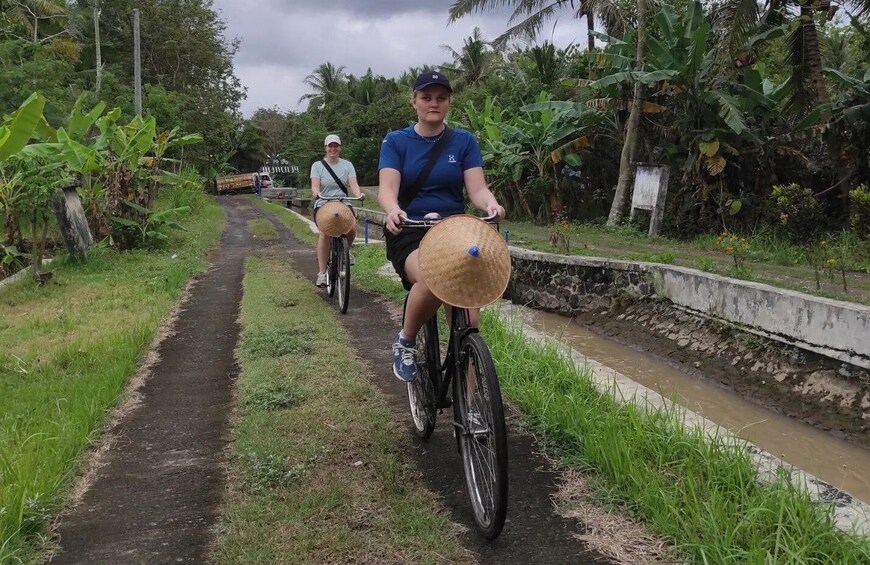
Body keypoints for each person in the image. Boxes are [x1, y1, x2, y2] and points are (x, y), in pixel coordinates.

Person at [378, 71, 505, 382]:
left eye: (441, 98)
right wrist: (393, 210)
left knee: (470, 319)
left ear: (449, 102)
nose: (433, 103)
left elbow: (477, 190)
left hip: (454, 231)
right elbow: (386, 189)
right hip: (410, 228)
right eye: (426, 97)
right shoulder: (396, 141)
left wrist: (490, 204)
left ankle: (472, 408)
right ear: (414, 102)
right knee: (434, 277)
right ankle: (406, 341)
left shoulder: (463, 141)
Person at [311, 134, 364, 287]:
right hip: (324, 203)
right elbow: (315, 185)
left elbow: (353, 184)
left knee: (351, 227)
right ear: (326, 148)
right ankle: (322, 273)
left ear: (340, 147)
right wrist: (316, 193)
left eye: (336, 146)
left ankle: (347, 251)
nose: (333, 148)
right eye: (330, 146)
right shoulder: (317, 166)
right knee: (325, 233)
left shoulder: (347, 165)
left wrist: (358, 194)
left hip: (342, 203)